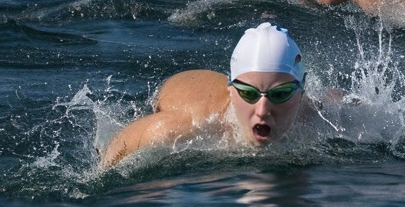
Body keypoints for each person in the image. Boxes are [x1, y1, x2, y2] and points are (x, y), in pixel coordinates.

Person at [99, 22, 313, 169]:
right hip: (186, 93)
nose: (263, 110)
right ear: (231, 89)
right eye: (248, 93)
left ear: (301, 93)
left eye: (280, 94)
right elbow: (116, 152)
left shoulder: (314, 119)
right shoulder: (186, 127)